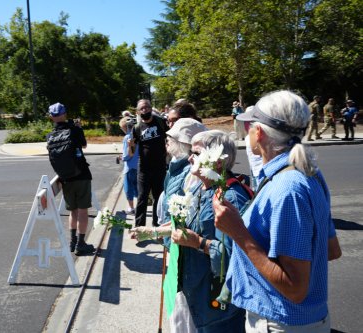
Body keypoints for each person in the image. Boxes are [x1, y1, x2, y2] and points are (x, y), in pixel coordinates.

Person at [213, 90, 342, 332]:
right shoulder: (308, 172)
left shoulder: (287, 188)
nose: (248, 130)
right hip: (299, 320)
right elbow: (331, 249)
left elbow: (294, 288)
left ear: (259, 132)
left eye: (250, 125)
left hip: (280, 322)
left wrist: (238, 232)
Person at [131, 130, 249, 332]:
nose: (190, 157)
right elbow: (182, 226)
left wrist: (199, 243)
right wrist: (153, 232)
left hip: (218, 308)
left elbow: (233, 257)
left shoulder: (230, 198)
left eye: (196, 152)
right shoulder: (198, 189)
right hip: (196, 296)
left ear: (218, 162)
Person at [46, 102, 95, 256]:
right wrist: (79, 128)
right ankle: (81, 243)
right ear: (65, 114)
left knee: (72, 212)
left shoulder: (51, 135)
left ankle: (72, 242)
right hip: (81, 175)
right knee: (82, 211)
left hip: (65, 178)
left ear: (51, 117)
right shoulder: (74, 129)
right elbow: (84, 145)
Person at [129, 99, 169, 227]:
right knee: (142, 198)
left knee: (158, 197)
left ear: (151, 108)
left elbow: (169, 138)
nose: (144, 109)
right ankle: (139, 229)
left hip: (160, 166)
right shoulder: (136, 128)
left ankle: (157, 226)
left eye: (146, 107)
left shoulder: (161, 122)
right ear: (138, 111)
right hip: (144, 168)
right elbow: (131, 153)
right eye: (141, 108)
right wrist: (131, 146)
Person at [159, 118, 207, 225]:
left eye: (170, 137)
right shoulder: (176, 165)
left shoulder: (192, 172)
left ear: (182, 143)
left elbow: (191, 215)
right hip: (172, 233)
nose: (167, 140)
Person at [119, 116, 139, 214]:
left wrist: (122, 157)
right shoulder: (138, 135)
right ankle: (140, 206)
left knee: (128, 188)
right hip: (138, 166)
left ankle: (131, 208)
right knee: (137, 187)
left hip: (129, 166)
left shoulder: (127, 137)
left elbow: (128, 154)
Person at [243, 106, 263, 191]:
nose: (247, 124)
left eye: (250, 121)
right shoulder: (248, 137)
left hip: (261, 170)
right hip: (254, 168)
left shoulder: (260, 135)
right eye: (246, 121)